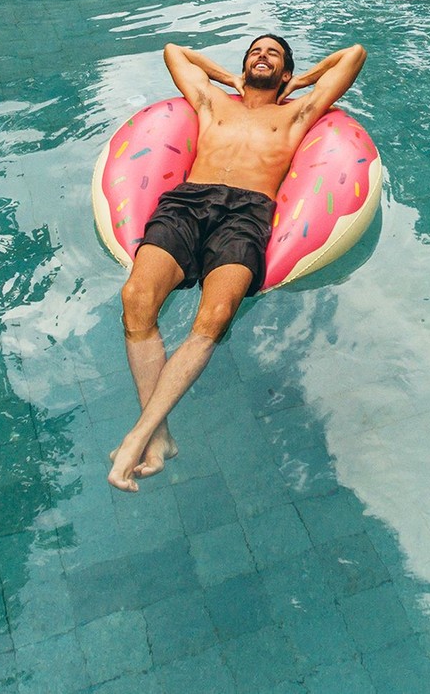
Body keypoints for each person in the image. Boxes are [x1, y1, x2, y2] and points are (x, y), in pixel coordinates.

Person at [107, 34, 367, 492]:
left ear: (285, 73)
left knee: (215, 317)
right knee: (135, 299)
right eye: (254, 51)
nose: (261, 55)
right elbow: (174, 51)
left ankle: (137, 436)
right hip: (186, 204)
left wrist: (301, 82)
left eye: (273, 53)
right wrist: (228, 77)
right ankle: (157, 434)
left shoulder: (296, 112)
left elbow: (354, 56)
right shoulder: (211, 103)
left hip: (246, 215)